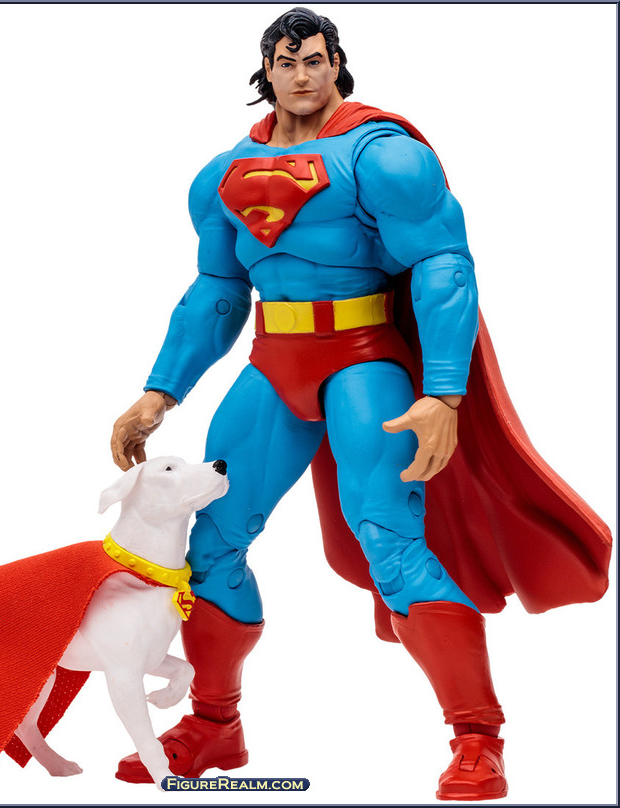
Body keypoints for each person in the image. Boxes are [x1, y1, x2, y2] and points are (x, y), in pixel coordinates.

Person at [110, 7, 611, 801]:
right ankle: (214, 721)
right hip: (272, 363)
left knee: (390, 538)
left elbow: (443, 265)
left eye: (313, 59)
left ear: (336, 63)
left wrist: (443, 392)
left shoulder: (382, 156)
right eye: (285, 63)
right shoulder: (221, 176)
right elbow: (216, 289)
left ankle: (476, 738)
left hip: (362, 360)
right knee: (210, 539)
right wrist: (159, 389)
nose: (300, 75)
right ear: (265, 72)